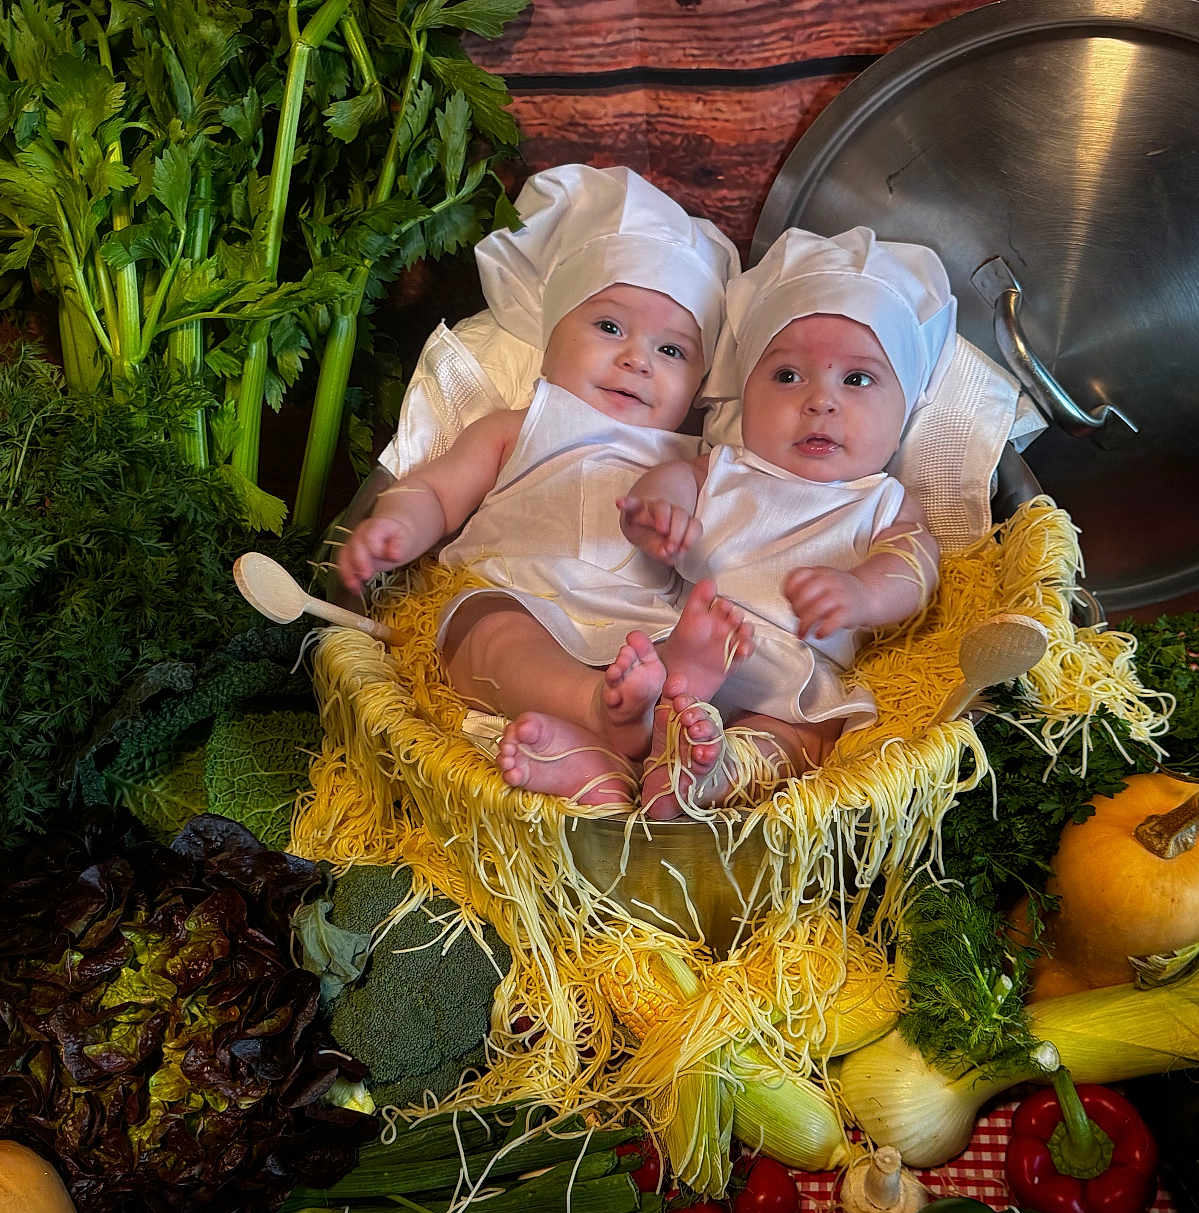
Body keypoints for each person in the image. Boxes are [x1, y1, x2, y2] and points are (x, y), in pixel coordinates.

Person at [335, 164, 750, 809]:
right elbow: (439, 493)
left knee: (697, 641)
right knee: (484, 634)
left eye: (672, 352)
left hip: (641, 626)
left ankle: (631, 730)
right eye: (609, 327)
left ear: (698, 386)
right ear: (552, 336)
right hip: (522, 598)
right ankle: (599, 717)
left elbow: (715, 525)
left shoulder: (694, 459)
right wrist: (395, 524)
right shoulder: (519, 426)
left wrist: (676, 518)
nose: (637, 358)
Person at [618, 226, 957, 818]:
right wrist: (657, 511)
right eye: (787, 376)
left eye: (857, 380)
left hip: (792, 670)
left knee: (803, 739)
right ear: (743, 396)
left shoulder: (879, 500)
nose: (820, 400)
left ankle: (714, 768)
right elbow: (670, 484)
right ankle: (629, 739)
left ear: (902, 410)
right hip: (689, 636)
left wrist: (860, 591)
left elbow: (915, 566)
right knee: (627, 678)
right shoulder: (725, 468)